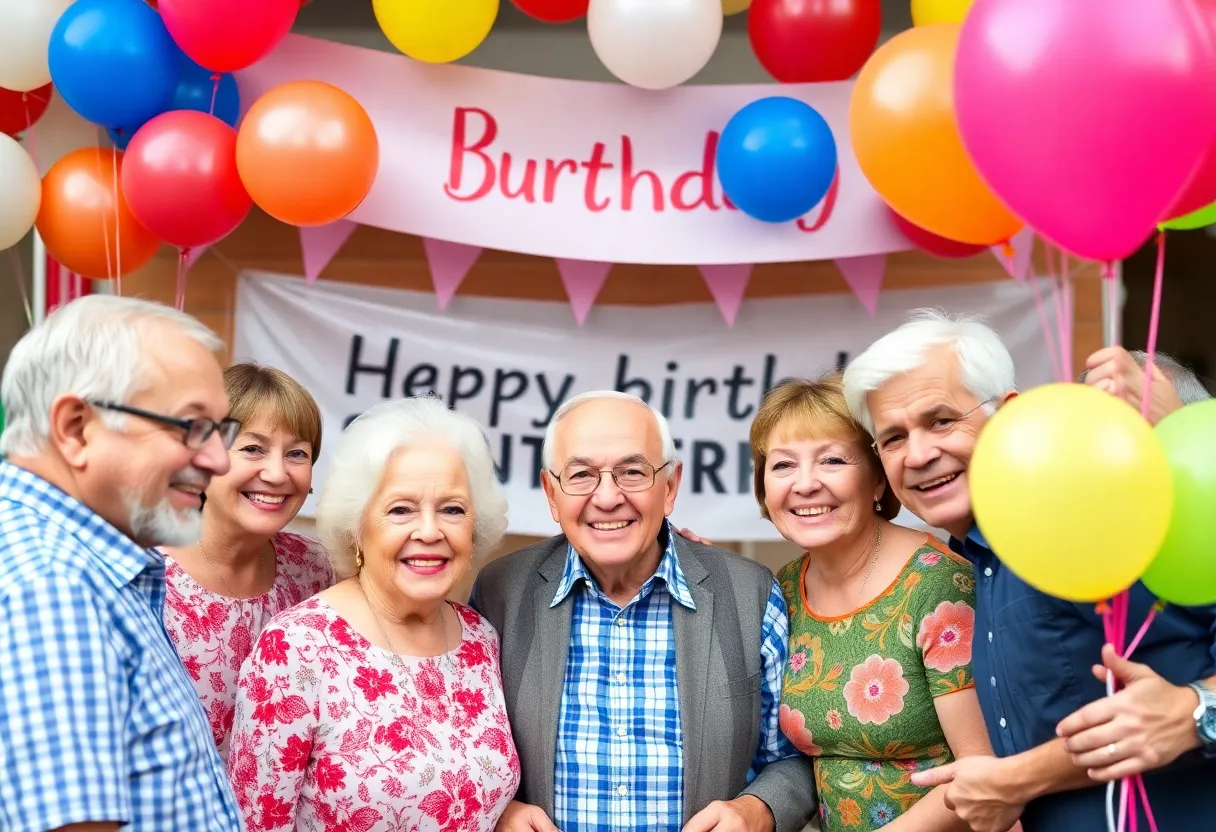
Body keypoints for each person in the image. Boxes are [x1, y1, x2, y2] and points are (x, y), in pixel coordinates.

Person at [841, 309, 1216, 832]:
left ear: (1009, 415)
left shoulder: (1106, 510)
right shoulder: (975, 560)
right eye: (894, 438)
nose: (920, 454)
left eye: (941, 420)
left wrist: (1197, 710)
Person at [471, 390, 818, 832]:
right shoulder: (500, 592)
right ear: (551, 495)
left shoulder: (750, 594)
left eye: (632, 472)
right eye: (581, 475)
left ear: (670, 487)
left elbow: (796, 759)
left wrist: (757, 810)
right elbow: (465, 750)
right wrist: (500, 809)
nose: (608, 497)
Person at [0, 295, 242, 830]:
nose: (219, 460)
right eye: (191, 426)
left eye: (218, 431)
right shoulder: (53, 584)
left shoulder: (78, 564)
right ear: (76, 428)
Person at [227, 397, 519, 832]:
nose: (429, 531)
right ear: (357, 525)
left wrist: (507, 814)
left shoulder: (480, 637)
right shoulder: (295, 649)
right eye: (401, 509)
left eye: (452, 509)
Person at [753, 376, 999, 831]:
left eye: (832, 460)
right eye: (783, 466)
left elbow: (982, 769)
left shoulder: (937, 583)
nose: (805, 484)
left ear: (877, 480)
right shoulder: (784, 590)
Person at [162, 363, 333, 758]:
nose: (276, 474)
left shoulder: (314, 569)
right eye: (252, 448)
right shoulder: (144, 574)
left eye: (297, 453)